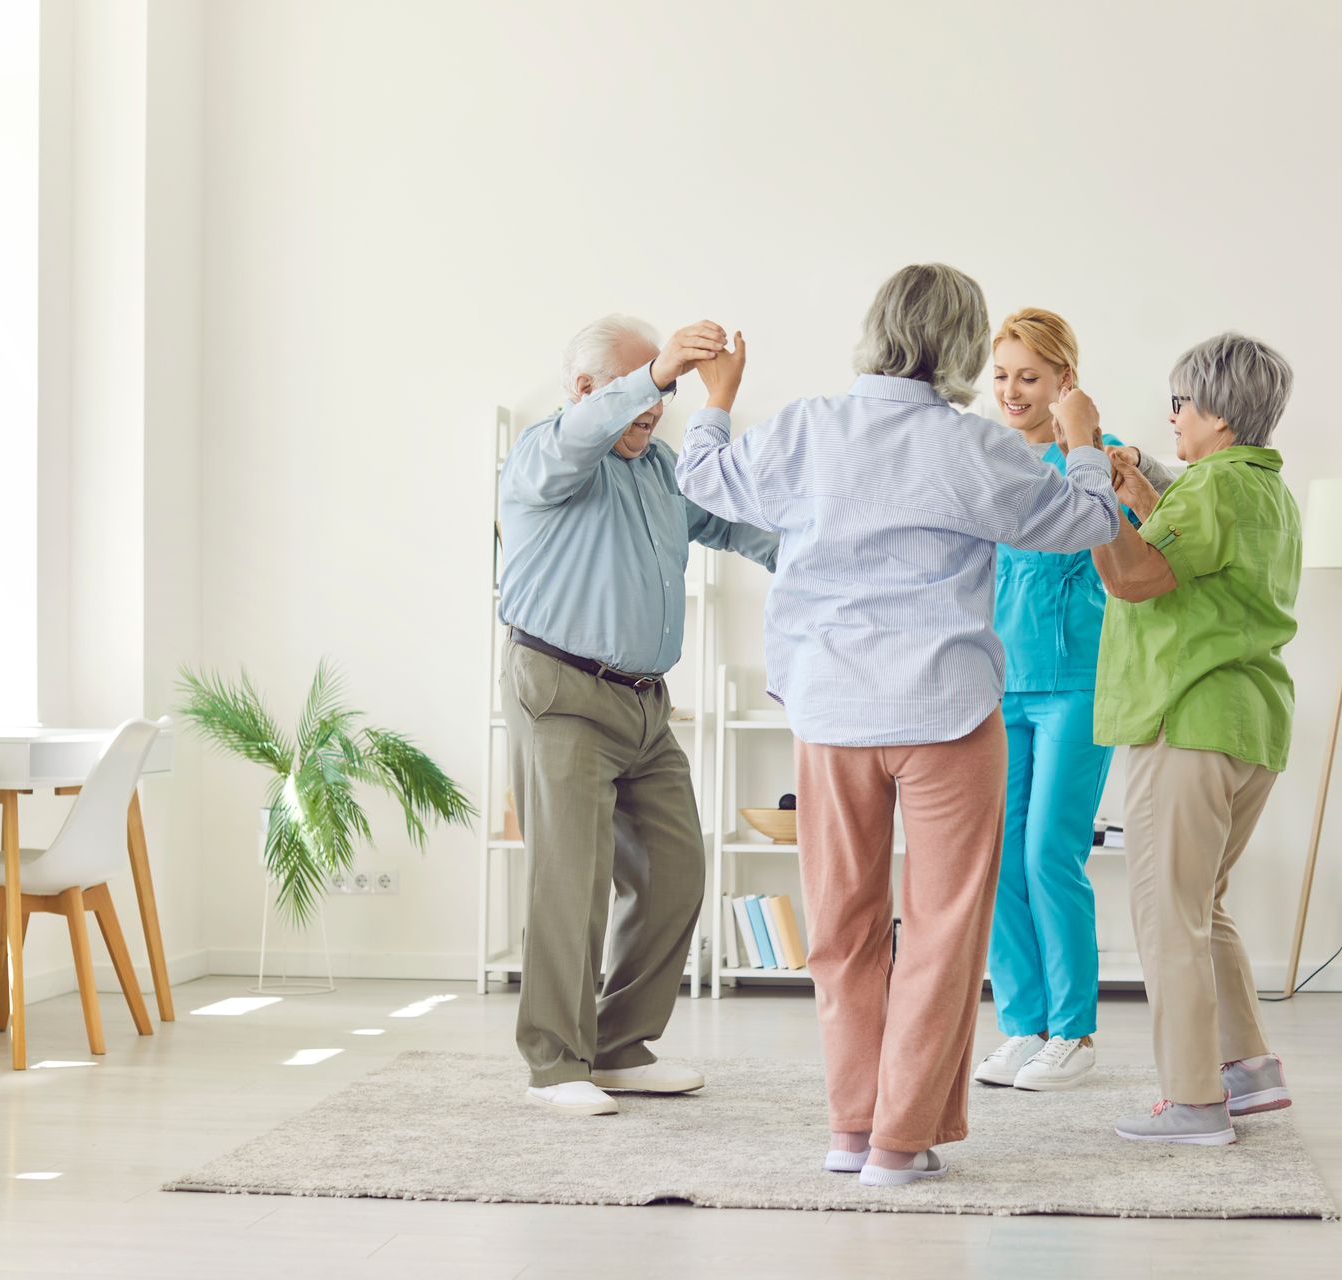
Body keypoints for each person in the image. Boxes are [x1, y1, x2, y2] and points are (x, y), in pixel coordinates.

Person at [675, 264, 1121, 1186]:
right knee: (943, 932)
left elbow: (706, 478)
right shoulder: (974, 449)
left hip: (831, 712)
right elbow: (1085, 520)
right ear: (964, 350)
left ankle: (850, 1130)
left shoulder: (806, 428)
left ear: (876, 329)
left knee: (842, 928)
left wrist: (718, 399)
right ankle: (898, 1142)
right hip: (948, 713)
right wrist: (1079, 439)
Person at [499, 314, 778, 1117]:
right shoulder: (547, 454)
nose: (655, 412)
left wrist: (833, 556)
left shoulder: (659, 472)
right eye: (642, 395)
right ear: (589, 389)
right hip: (560, 689)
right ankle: (555, 1064)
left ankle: (619, 1049)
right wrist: (656, 372)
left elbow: (736, 527)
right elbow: (585, 435)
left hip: (645, 704)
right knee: (569, 882)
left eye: (663, 402)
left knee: (674, 869)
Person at [1084, 331, 1301, 1146]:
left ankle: (1193, 1103)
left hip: (1187, 723)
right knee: (1202, 906)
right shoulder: (1263, 492)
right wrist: (1141, 494)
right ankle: (1247, 1072)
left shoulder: (1213, 489)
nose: (1170, 418)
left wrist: (1093, 485)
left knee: (1166, 917)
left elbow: (1136, 577)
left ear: (1215, 413)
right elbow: (1192, 559)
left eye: (1179, 404)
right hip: (1247, 726)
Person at [974, 308, 1176, 1093]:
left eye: (1029, 376)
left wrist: (1106, 458)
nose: (1012, 390)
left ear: (1065, 381)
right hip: (997, 686)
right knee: (997, 862)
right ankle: (1023, 1027)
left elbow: (1162, 536)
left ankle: (1075, 1033)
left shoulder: (1103, 456)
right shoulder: (984, 455)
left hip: (1076, 685)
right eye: (1001, 376)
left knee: (1049, 853)